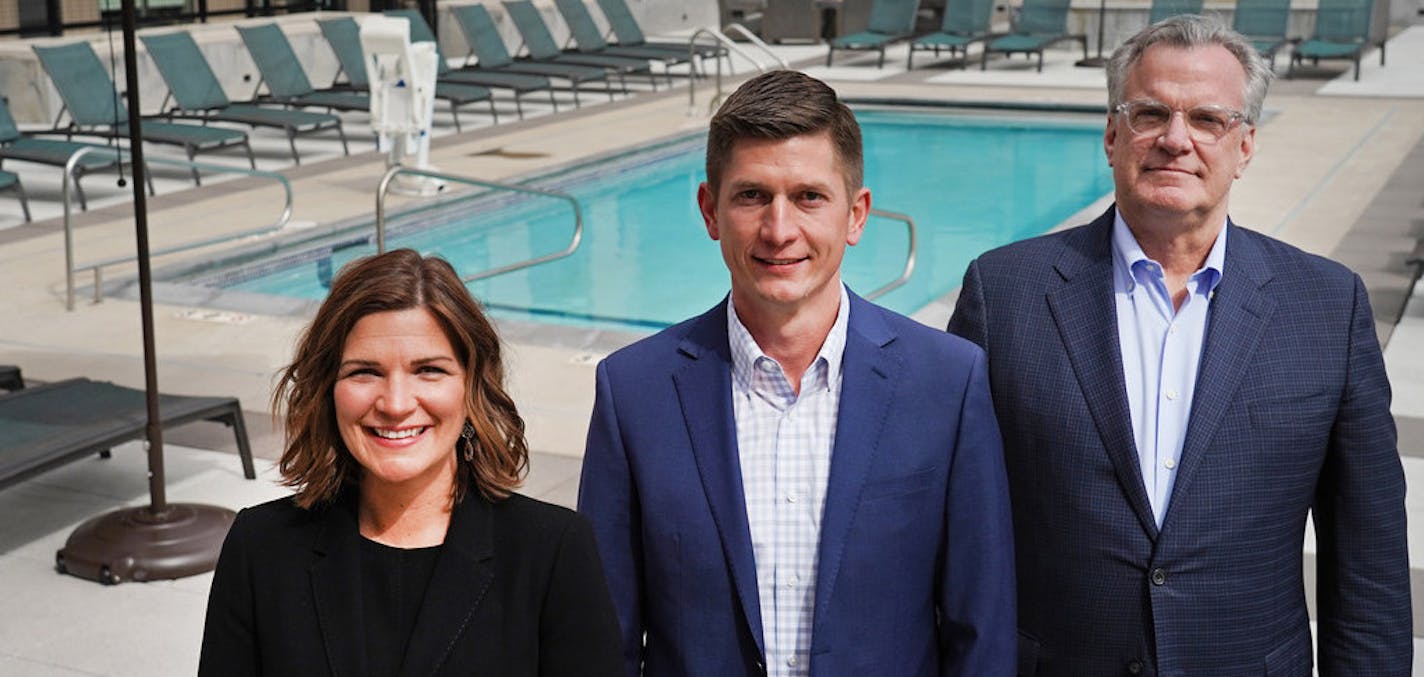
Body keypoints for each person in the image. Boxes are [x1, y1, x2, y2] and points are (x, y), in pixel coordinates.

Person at [947, 15, 1411, 676]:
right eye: (1150, 113)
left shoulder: (1328, 306)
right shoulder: (1004, 292)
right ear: (1112, 134)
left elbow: (1370, 569)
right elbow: (951, 523)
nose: (1175, 139)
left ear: (1245, 144)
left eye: (1207, 119)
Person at [578, 69, 1016, 676]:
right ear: (711, 211)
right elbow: (605, 638)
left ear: (856, 215)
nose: (779, 230)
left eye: (809, 197)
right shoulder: (633, 392)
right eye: (752, 195)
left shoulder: (946, 382)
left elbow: (982, 629)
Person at [198, 249, 622, 676]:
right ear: (328, 388)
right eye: (365, 372)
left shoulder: (554, 551)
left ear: (472, 386)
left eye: (429, 370)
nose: (396, 404)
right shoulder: (260, 547)